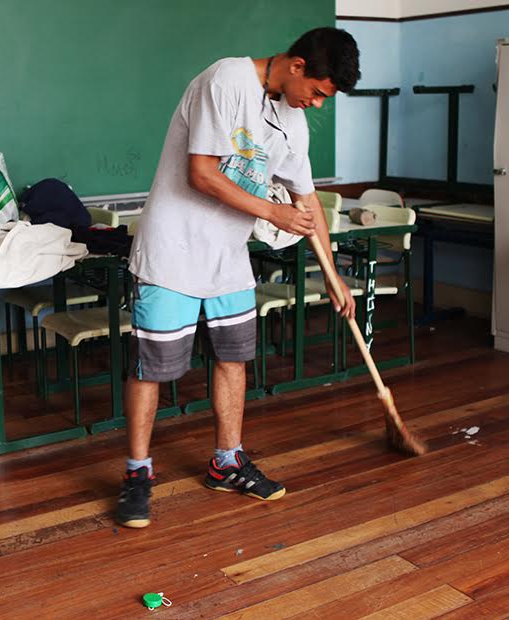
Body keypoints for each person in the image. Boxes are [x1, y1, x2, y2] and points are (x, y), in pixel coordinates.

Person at [117, 27, 361, 528]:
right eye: (316, 92)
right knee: (152, 367)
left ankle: (226, 463)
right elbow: (202, 174)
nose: (316, 104)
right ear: (297, 65)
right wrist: (272, 212)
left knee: (233, 359)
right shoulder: (227, 80)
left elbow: (307, 200)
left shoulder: (293, 122)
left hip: (227, 258)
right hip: (172, 249)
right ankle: (138, 473)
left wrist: (332, 274)